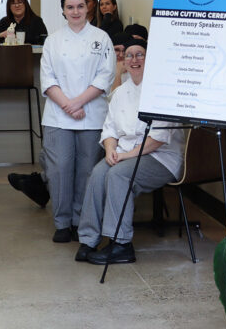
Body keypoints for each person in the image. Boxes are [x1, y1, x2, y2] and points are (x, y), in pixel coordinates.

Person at [75, 39, 184, 264]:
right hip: (125, 154)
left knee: (118, 174)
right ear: (124, 62)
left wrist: (124, 156)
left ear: (149, 59)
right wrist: (110, 150)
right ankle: (89, 239)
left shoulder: (162, 91)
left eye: (140, 55)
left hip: (160, 158)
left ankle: (121, 244)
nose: (134, 60)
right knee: (98, 173)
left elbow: (158, 139)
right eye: (129, 56)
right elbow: (110, 129)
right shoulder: (121, 93)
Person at [39, 0, 114, 242]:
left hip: (91, 114)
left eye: (80, 6)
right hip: (58, 116)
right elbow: (47, 78)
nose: (75, 11)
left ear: (87, 8)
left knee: (87, 171)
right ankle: (61, 222)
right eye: (70, 7)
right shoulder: (53, 40)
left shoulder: (102, 38)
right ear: (63, 10)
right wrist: (68, 105)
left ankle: (82, 221)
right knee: (59, 169)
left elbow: (106, 76)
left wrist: (78, 102)